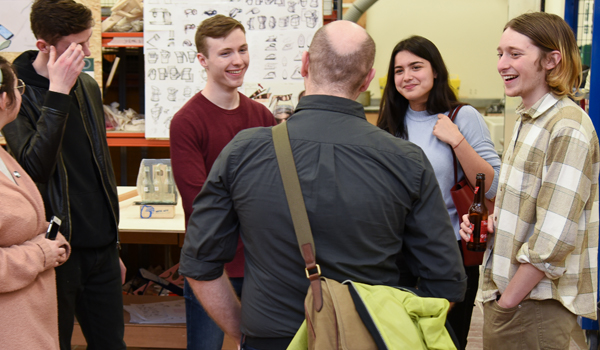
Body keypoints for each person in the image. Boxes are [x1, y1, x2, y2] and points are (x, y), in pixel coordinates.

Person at [179, 20, 467, 350]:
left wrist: (243, 334)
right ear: (367, 80)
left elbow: (199, 265)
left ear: (305, 64)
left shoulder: (243, 151)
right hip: (367, 337)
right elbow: (446, 285)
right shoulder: (407, 161)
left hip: (271, 338)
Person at [460, 12, 599, 350]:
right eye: (500, 53)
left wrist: (508, 302)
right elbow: (534, 210)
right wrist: (496, 224)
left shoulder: (567, 126)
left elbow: (552, 242)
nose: (502, 64)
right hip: (512, 301)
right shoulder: (529, 119)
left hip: (532, 307)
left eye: (515, 54)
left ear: (552, 60)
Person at [2, 1, 126, 349]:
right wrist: (57, 92)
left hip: (101, 247)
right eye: (78, 44)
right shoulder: (18, 93)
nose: (87, 52)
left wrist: (114, 247)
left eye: (88, 41)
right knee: (56, 344)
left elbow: (99, 168)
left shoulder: (87, 84)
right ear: (44, 46)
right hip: (57, 250)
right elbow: (34, 167)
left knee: (112, 345)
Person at [377, 35, 501, 350]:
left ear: (435, 71)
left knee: (448, 337)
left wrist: (457, 141)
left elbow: (494, 183)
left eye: (416, 66)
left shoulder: (462, 117)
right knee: (401, 336)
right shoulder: (389, 123)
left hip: (450, 250)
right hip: (396, 250)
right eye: (398, 70)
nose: (406, 76)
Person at [169, 14, 276, 350]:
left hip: (261, 264)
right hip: (210, 268)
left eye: (242, 49)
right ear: (203, 60)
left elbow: (276, 191)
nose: (238, 60)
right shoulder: (187, 122)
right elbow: (197, 202)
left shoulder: (262, 117)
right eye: (226, 53)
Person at [0, 55, 71, 350]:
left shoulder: (4, 157)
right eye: (19, 86)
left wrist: (48, 235)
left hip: (28, 325)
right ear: (5, 98)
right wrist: (41, 253)